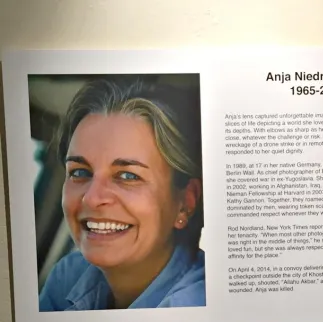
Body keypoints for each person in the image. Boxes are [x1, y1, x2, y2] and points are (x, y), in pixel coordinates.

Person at [38, 77, 206, 310]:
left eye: (128, 176)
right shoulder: (68, 275)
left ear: (185, 203)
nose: (92, 198)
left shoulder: (194, 305)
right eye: (80, 172)